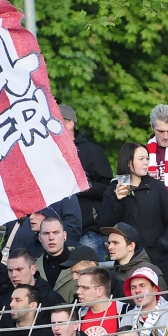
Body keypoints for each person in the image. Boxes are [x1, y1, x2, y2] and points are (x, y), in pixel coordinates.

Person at [98, 141, 168, 280]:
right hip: (127, 263)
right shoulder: (113, 190)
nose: (146, 163)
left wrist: (162, 246)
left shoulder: (157, 187)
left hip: (158, 260)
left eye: (147, 158)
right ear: (128, 162)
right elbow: (103, 225)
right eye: (141, 159)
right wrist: (117, 201)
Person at [60, 104, 114, 261]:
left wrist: (79, 186)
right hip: (55, 232)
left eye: (57, 122)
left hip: (87, 229)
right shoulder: (49, 153)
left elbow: (107, 187)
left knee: (93, 277)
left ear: (70, 124)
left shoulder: (92, 151)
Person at [1, 200, 82, 262]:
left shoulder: (76, 251)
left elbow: (73, 227)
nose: (31, 217)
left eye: (37, 212)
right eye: (29, 214)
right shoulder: (28, 251)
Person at [101, 223, 167, 299]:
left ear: (131, 246)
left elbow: (162, 303)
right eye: (109, 243)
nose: (110, 247)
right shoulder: (113, 273)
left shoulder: (150, 271)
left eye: (115, 243)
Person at [76, 266, 128, 336]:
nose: (78, 291)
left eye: (85, 288)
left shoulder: (124, 311)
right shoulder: (78, 314)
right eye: (78, 287)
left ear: (100, 290)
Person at [35, 215, 78, 303]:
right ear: (40, 238)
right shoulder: (34, 267)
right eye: (46, 233)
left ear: (64, 235)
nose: (51, 238)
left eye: (56, 232)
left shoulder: (80, 262)